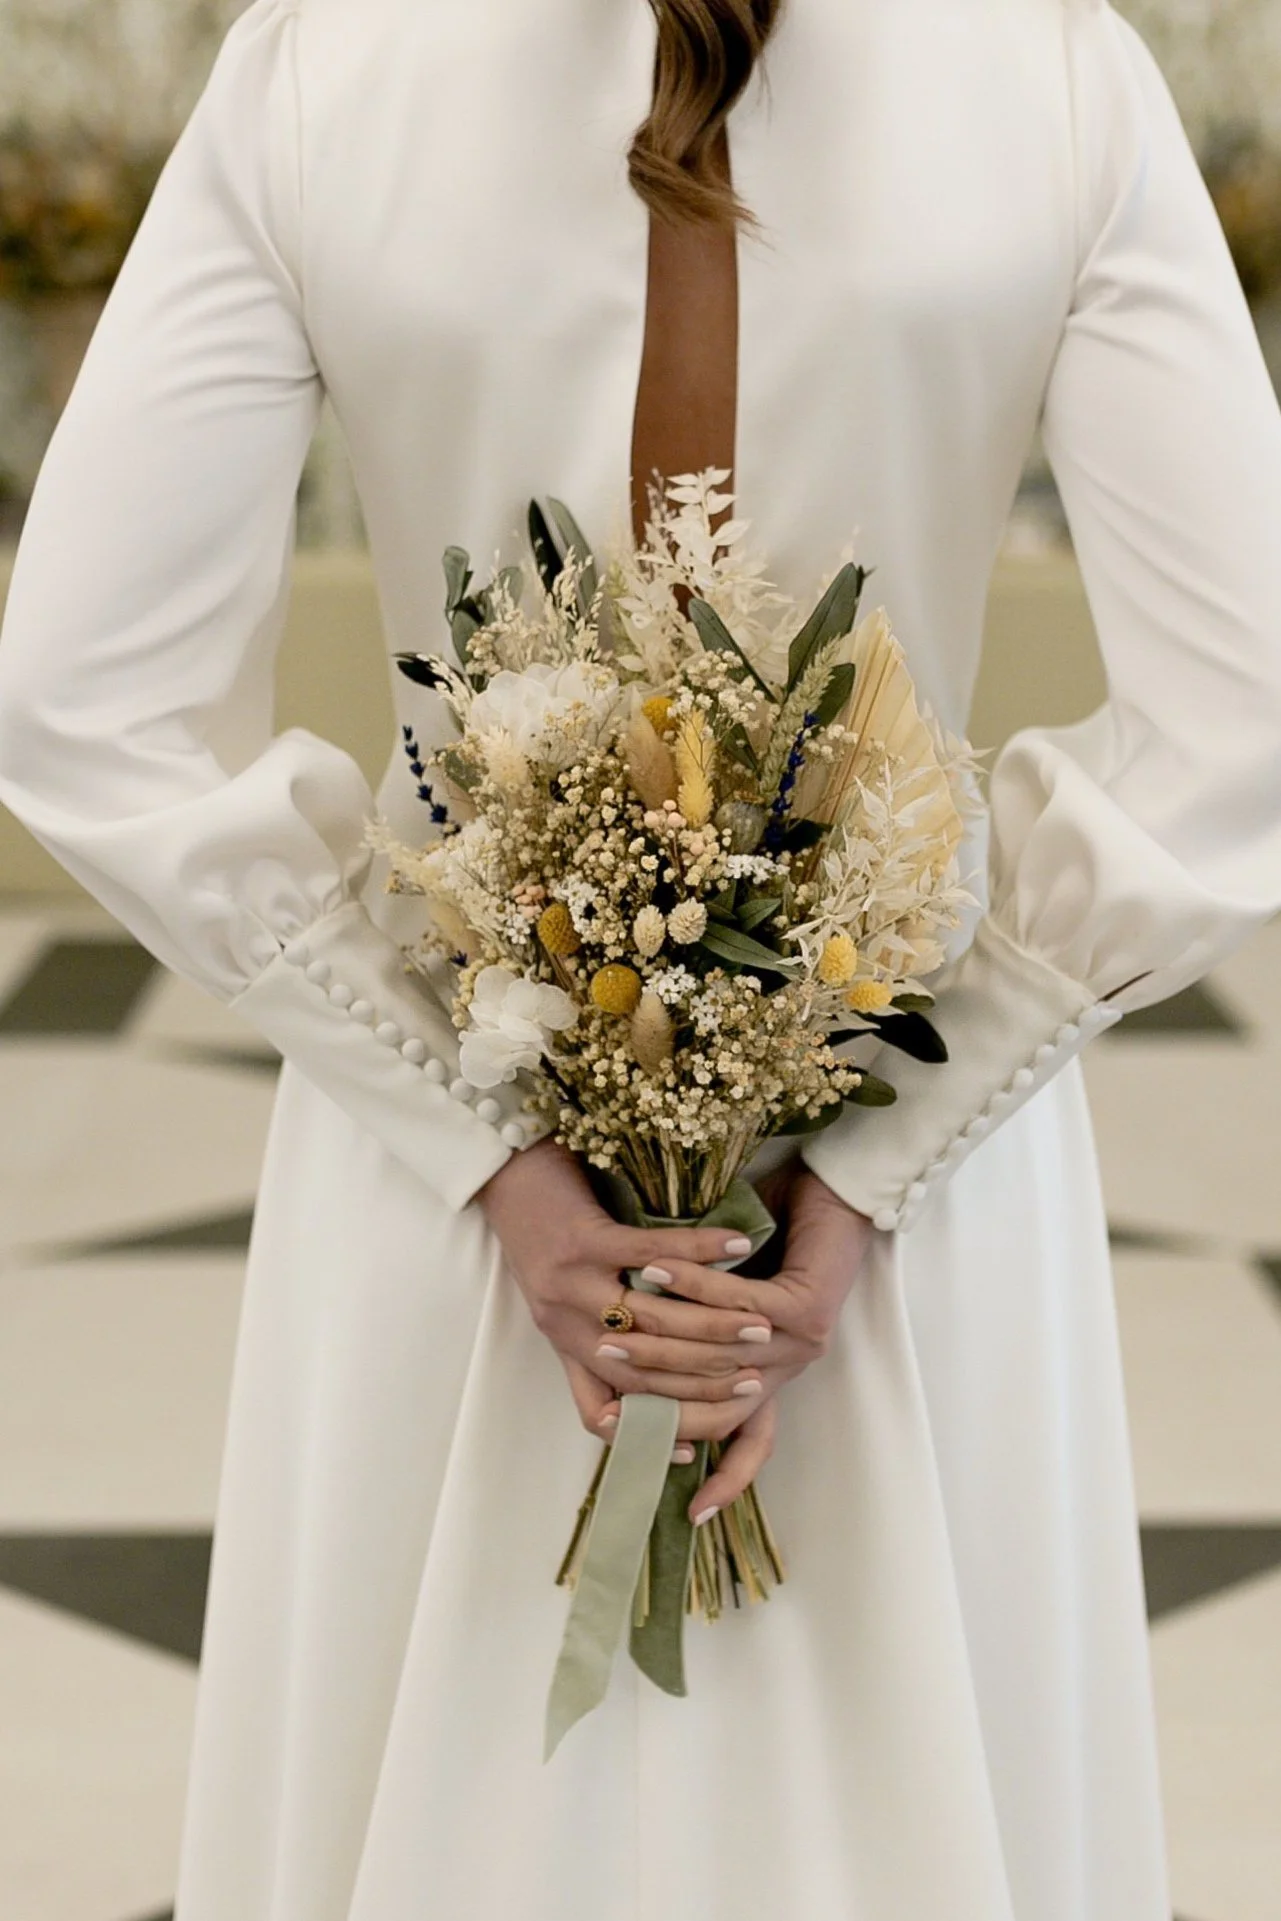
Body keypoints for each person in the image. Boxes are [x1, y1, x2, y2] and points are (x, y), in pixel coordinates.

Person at [1, 1, 1280, 1915]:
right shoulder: (1051, 69)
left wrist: (485, 1150)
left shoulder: (324, 66)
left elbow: (82, 697)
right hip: (920, 1174)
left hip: (449, 1161)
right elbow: (1250, 710)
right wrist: (870, 1162)